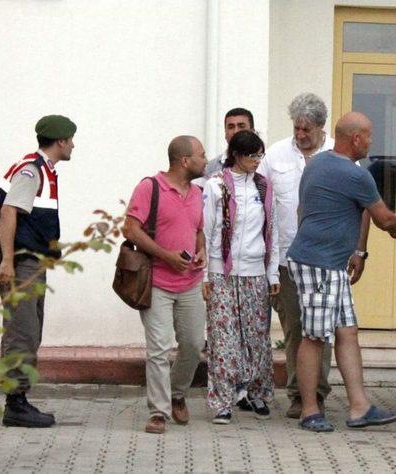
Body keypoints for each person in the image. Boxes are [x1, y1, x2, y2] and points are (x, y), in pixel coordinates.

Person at [287, 111, 396, 432]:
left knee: (347, 331)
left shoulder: (317, 164)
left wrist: (355, 250)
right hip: (319, 264)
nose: (371, 142)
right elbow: (382, 219)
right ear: (355, 138)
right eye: (368, 136)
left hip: (327, 262)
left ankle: (359, 408)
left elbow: (305, 210)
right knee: (314, 338)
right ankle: (310, 411)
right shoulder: (357, 175)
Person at [259, 93, 371, 419]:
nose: (300, 134)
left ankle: (316, 397)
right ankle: (299, 395)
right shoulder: (276, 155)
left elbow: (363, 207)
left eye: (306, 129)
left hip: (332, 258)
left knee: (325, 329)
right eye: (296, 128)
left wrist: (359, 250)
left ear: (321, 127)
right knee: (298, 329)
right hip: (287, 259)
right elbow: (262, 205)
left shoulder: (342, 154)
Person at [0, 114, 76, 428]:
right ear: (60, 141)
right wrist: (8, 261)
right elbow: (9, 212)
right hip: (20, 265)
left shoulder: (44, 170)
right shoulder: (32, 171)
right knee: (22, 334)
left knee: (29, 332)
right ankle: (15, 404)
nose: (72, 145)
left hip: (30, 263)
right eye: (70, 139)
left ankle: (19, 399)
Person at [122, 135, 208, 434]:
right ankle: (158, 411)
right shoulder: (150, 187)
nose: (206, 159)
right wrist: (166, 256)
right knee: (158, 348)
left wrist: (201, 251)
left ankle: (177, 393)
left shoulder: (198, 193)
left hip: (190, 283)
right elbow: (130, 228)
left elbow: (198, 230)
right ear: (185, 161)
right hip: (156, 281)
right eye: (201, 154)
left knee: (194, 345)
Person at [202, 130, 280, 424]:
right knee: (223, 339)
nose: (257, 161)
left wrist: (272, 274)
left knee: (257, 337)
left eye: (260, 155)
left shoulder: (263, 186)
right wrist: (206, 276)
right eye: (252, 156)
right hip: (221, 272)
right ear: (236, 155)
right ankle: (222, 402)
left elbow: (272, 231)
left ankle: (257, 394)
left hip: (256, 272)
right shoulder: (216, 185)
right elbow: (207, 231)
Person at [193, 107, 254, 188]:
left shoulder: (264, 164)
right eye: (231, 127)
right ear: (225, 132)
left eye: (241, 126)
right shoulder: (210, 169)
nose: (235, 131)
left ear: (252, 131)